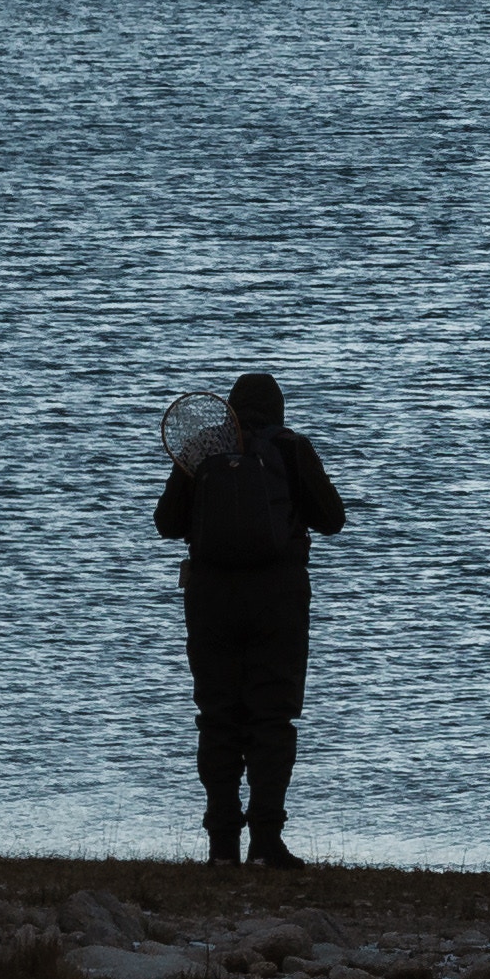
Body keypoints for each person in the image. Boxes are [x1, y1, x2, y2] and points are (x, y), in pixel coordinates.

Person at [155, 371, 349, 867]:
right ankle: (266, 842)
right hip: (277, 600)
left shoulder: (203, 449)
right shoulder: (290, 448)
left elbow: (166, 524)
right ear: (278, 410)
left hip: (210, 600)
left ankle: (222, 846)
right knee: (272, 717)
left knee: (217, 718)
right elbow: (333, 519)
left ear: (229, 410)